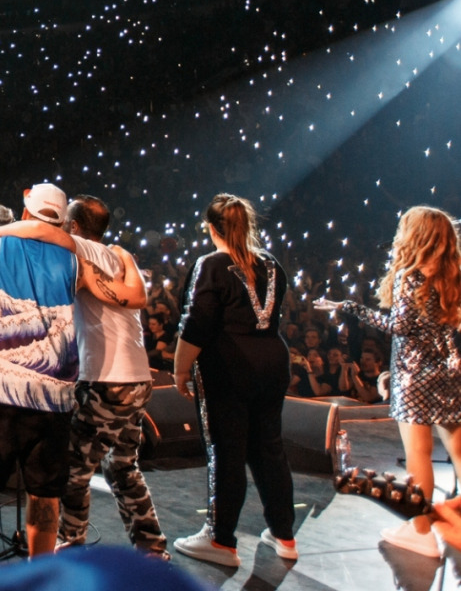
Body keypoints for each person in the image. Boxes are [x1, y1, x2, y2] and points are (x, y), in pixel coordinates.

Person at [0, 194, 168, 556]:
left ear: (73, 226)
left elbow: (34, 227)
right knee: (124, 468)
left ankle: (71, 546)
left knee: (74, 470)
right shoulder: (120, 254)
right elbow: (139, 297)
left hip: (106, 379)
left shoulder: (75, 247)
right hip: (139, 379)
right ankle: (152, 548)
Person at [318, 206, 461, 558]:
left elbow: (398, 326)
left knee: (418, 454)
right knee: (459, 450)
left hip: (415, 376)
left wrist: (350, 306)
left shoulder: (410, 276)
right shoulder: (452, 274)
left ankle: (421, 532)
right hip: (450, 371)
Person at [0, 183, 79, 560]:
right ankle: (42, 573)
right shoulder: (77, 258)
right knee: (45, 489)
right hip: (53, 398)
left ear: (25, 212)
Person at [171, 194, 296, 565]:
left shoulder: (211, 264)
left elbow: (196, 324)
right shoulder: (271, 264)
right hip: (273, 360)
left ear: (212, 228)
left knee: (226, 451)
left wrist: (180, 369)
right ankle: (284, 535)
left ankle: (221, 539)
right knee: (269, 447)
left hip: (229, 367)